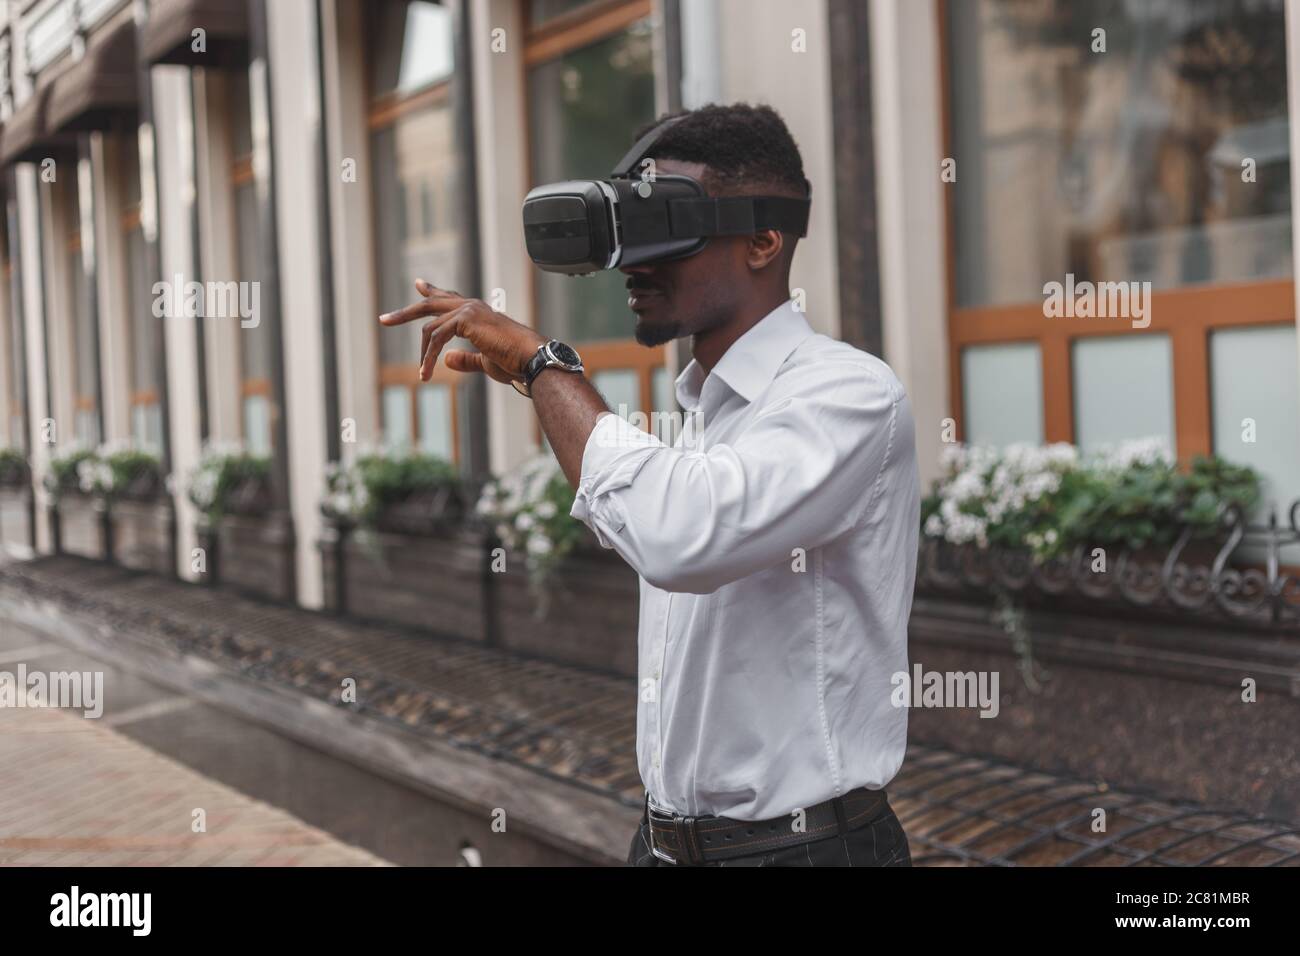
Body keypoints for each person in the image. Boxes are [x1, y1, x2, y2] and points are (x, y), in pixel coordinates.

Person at [379, 103, 919, 867]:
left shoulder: (849, 395)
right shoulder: (702, 411)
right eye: (628, 228)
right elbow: (645, 509)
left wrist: (544, 367)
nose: (636, 261)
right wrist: (544, 385)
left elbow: (679, 535)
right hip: (665, 844)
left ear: (765, 239)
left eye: (668, 223)